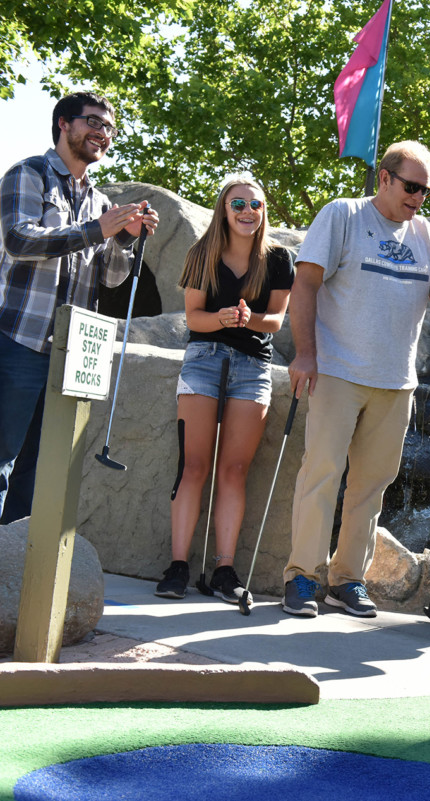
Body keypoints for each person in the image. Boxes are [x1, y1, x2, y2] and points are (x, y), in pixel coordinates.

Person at [283, 141, 430, 618]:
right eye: (411, 187)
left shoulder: (426, 233)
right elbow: (304, 284)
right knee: (321, 475)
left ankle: (347, 580)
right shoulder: (341, 215)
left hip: (396, 381)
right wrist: (305, 354)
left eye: (425, 190)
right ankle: (302, 577)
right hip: (338, 372)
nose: (418, 198)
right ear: (384, 178)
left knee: (372, 485)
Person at [0, 91, 158, 524]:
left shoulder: (101, 202)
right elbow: (18, 240)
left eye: (108, 128)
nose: (101, 133)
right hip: (17, 344)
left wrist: (123, 238)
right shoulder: (27, 174)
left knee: (37, 476)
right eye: (93, 122)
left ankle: (13, 579)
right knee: (1, 464)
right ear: (64, 124)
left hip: (68, 357)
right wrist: (95, 231)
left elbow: (109, 278)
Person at [154, 176, 294, 601]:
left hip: (253, 366)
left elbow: (275, 321)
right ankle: (179, 566)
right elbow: (193, 317)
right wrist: (224, 319)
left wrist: (246, 319)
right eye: (238, 204)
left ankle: (224, 571)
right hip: (203, 360)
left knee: (234, 470)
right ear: (224, 209)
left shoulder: (279, 258)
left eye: (255, 204)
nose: (248, 211)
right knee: (193, 465)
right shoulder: (202, 253)